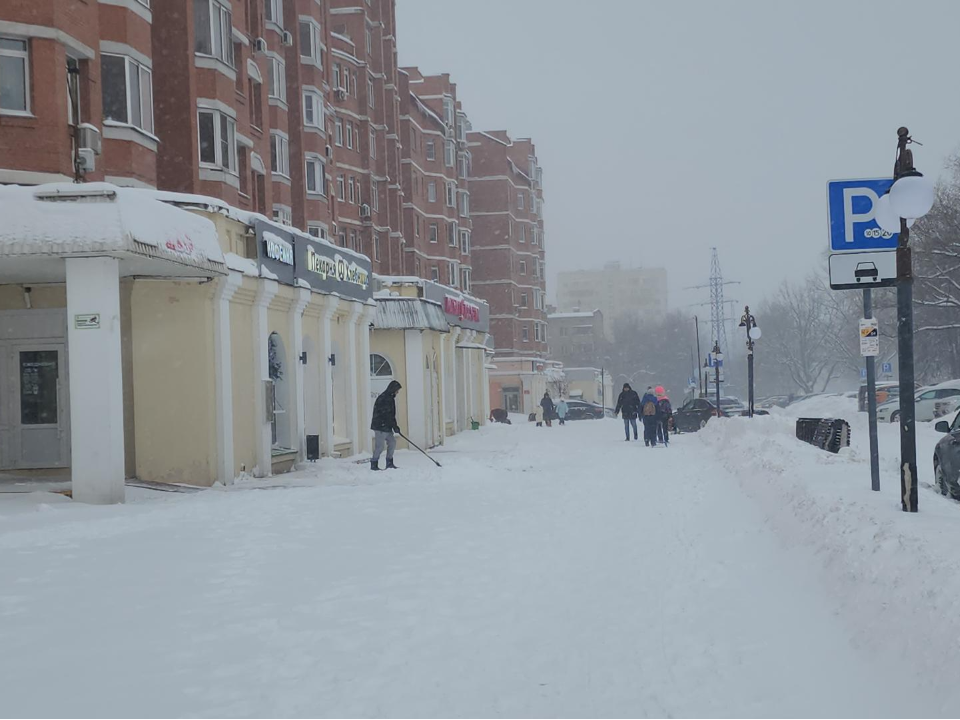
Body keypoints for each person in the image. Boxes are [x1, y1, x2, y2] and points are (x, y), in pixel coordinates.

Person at [370, 380, 402, 470]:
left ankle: (389, 462)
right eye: (397, 390)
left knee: (392, 442)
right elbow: (386, 414)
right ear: (393, 389)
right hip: (380, 426)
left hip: (387, 426)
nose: (397, 392)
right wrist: (393, 426)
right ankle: (374, 463)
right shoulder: (384, 398)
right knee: (380, 447)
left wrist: (395, 426)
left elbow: (392, 415)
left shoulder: (390, 398)